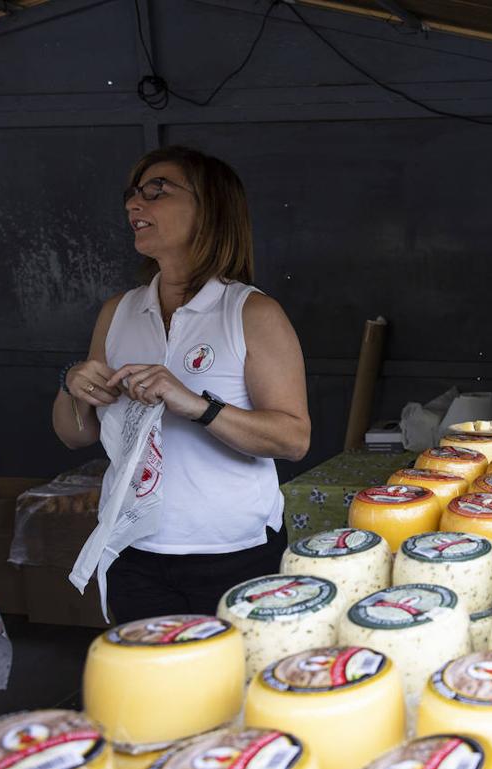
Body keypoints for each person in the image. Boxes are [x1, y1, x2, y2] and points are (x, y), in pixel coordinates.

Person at [52, 145, 310, 623]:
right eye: (132, 194)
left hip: (235, 553)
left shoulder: (251, 313)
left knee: (235, 694)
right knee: (154, 691)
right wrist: (74, 388)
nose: (134, 204)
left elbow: (293, 439)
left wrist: (196, 405)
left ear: (209, 208)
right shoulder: (119, 311)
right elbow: (75, 434)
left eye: (157, 191)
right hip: (133, 552)